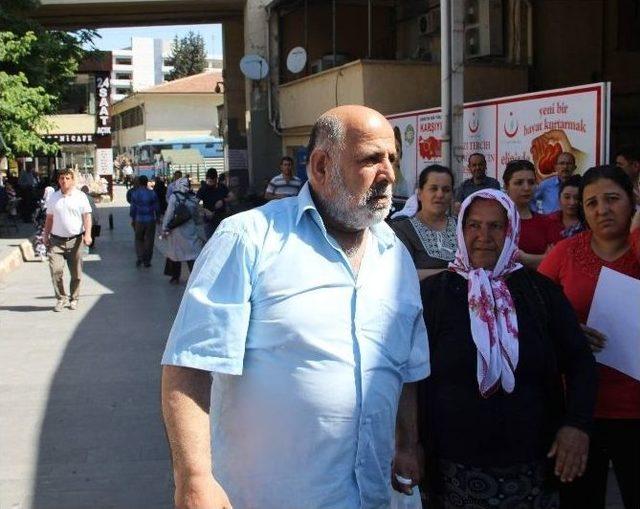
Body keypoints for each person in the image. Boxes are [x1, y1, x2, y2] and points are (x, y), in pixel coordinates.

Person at [161, 105, 430, 509]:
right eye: (372, 159)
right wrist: (193, 476)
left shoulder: (395, 255)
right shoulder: (249, 238)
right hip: (272, 496)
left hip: (374, 494)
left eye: (392, 159)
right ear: (321, 166)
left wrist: (408, 443)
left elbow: (406, 368)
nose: (389, 173)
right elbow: (190, 364)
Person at [411, 189, 597, 509]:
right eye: (474, 225)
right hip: (452, 469)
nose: (484, 236)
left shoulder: (541, 294)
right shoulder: (433, 296)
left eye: (496, 226)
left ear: (512, 231)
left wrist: (577, 425)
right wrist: (408, 443)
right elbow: (410, 376)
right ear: (461, 229)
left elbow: (580, 362)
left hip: (532, 466)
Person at [539, 166, 640, 509]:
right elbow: (533, 313)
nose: (602, 210)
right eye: (592, 202)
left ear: (632, 202)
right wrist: (568, 331)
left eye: (613, 199)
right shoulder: (565, 253)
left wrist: (638, 234)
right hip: (581, 410)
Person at [391, 165, 457, 280]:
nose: (440, 195)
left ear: (452, 195)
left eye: (446, 190)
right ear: (420, 194)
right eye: (433, 189)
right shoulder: (402, 229)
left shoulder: (462, 227)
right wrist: (452, 272)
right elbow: (401, 274)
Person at [42, 168, 92, 312]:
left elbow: (86, 217)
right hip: (56, 241)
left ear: (72, 180)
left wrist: (88, 235)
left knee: (76, 273)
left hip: (75, 240)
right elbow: (49, 218)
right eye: (62, 178)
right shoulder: (54, 197)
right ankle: (61, 298)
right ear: (58, 180)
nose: (64, 181)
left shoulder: (80, 196)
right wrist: (46, 235)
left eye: (67, 178)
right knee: (55, 271)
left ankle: (74, 298)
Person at [503, 159, 551, 269]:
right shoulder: (496, 222)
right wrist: (540, 258)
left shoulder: (546, 222)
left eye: (531, 182)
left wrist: (524, 258)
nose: (526, 188)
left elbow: (554, 261)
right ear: (506, 186)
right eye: (519, 183)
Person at [161, 177, 203, 284]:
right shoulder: (192, 197)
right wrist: (198, 224)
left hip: (176, 231)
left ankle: (175, 277)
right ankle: (194, 277)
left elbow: (169, 214)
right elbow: (197, 216)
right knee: (192, 254)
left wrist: (164, 227)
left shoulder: (174, 197)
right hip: (190, 230)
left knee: (175, 254)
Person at [543, 175, 584, 245]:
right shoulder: (548, 221)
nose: (572, 202)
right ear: (559, 198)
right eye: (567, 197)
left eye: (577, 198)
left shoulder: (589, 224)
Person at [129, 175, 160, 268]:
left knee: (139, 239)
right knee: (149, 240)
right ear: (147, 182)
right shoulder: (152, 193)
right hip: (150, 219)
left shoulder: (135, 194)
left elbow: (133, 208)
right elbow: (157, 207)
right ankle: (147, 261)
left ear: (139, 182)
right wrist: (158, 217)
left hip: (139, 219)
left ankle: (140, 257)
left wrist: (133, 219)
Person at [196, 168, 233, 239]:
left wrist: (223, 200)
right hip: (209, 221)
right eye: (209, 181)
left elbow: (232, 196)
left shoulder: (222, 187)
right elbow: (195, 204)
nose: (210, 184)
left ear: (216, 179)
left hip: (222, 220)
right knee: (210, 241)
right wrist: (204, 210)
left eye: (212, 181)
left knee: (222, 240)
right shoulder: (203, 189)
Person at [32, 186, 55, 260]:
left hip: (42, 223)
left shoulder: (42, 201)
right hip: (49, 224)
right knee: (48, 238)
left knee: (42, 237)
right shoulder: (54, 201)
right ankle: (47, 253)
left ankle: (42, 253)